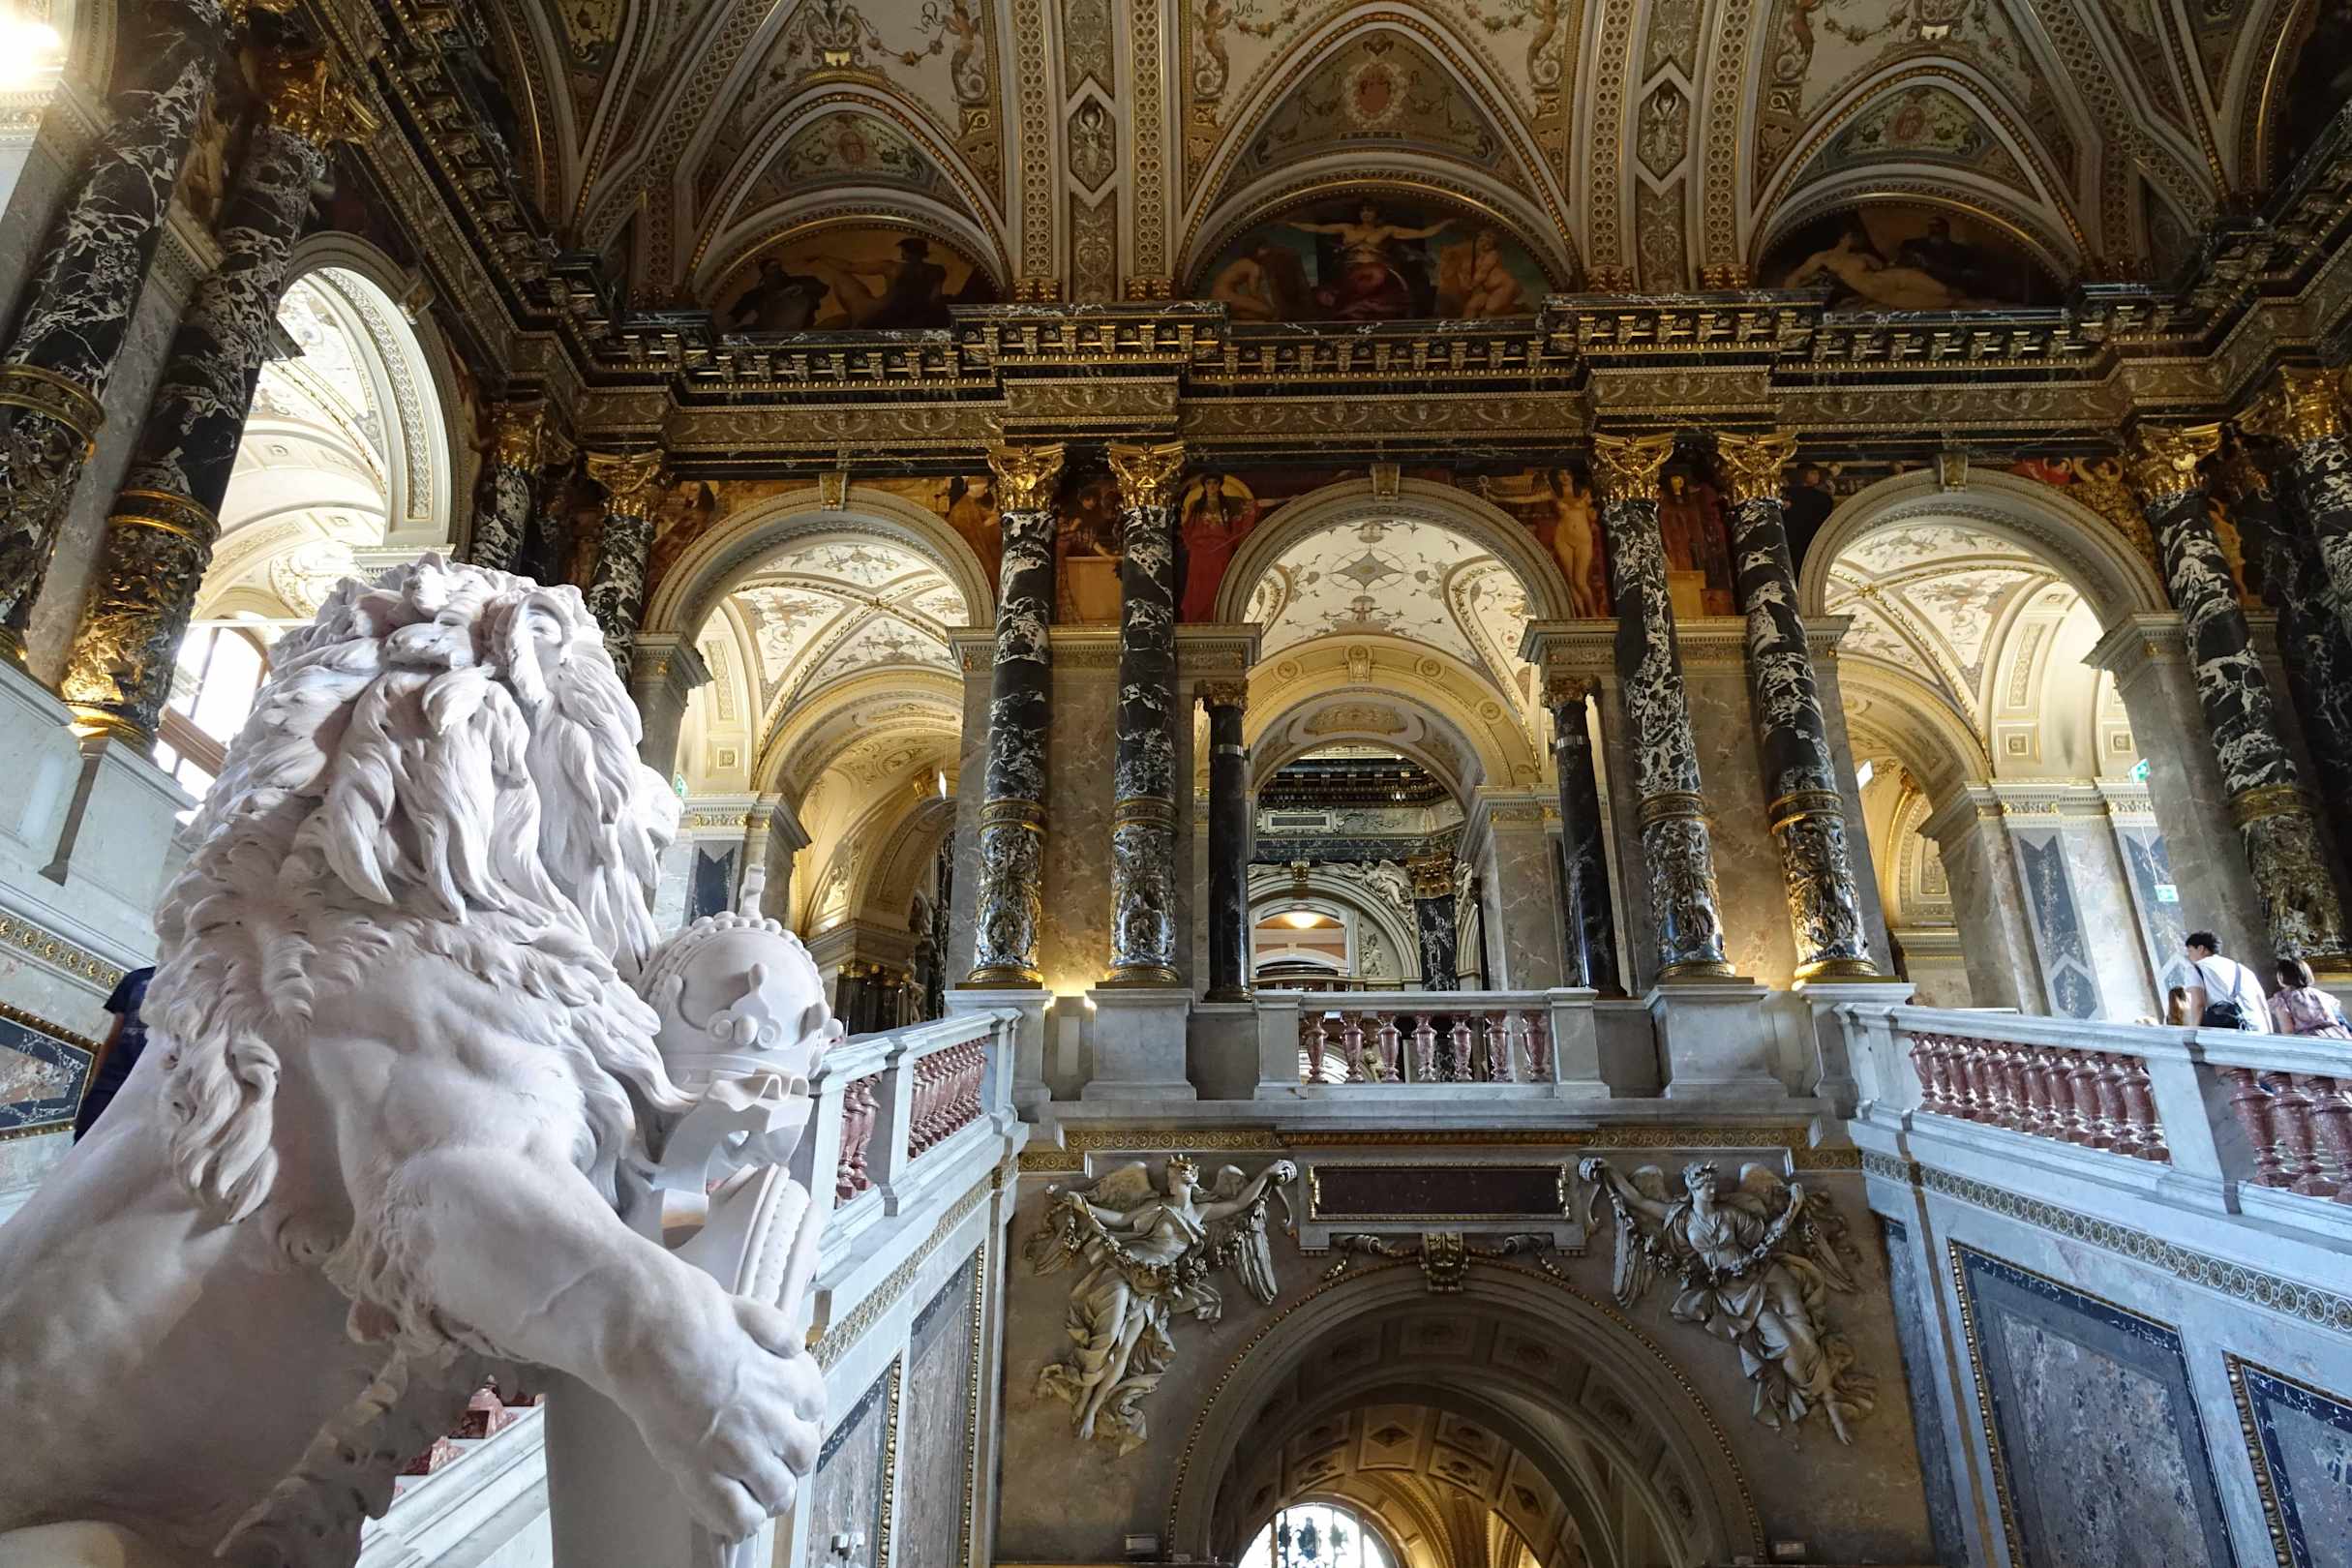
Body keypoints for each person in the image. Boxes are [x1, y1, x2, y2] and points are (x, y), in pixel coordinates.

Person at [73, 964, 155, 1139]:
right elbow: (113, 1038)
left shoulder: (197, 981)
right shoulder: (137, 978)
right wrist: (95, 1085)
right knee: (85, 1140)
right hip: (111, 1083)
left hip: (151, 1091)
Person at [2183, 931, 2271, 1031]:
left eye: (2190, 951)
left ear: (2201, 949)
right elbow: (2263, 1006)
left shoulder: (2195, 969)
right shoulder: (2244, 970)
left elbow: (2198, 1004)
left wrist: (2192, 1031)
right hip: (2257, 1031)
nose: (2189, 956)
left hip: (2228, 1032)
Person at [2268, 957, 2352, 1039]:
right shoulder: (2322, 995)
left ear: (2281, 976)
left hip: (2310, 1040)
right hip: (2338, 1036)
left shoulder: (2281, 999)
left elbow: (2288, 1030)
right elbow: (2339, 1019)